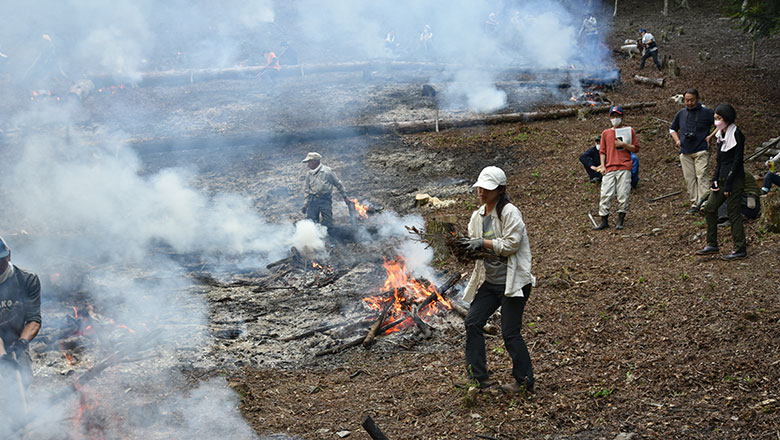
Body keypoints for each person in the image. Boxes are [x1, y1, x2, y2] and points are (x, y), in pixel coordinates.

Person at [456, 166, 535, 394]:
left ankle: (525, 381)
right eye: (480, 188)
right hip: (490, 282)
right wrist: (464, 247)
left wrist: (482, 243)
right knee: (472, 321)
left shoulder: (510, 212)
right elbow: (474, 244)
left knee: (510, 333)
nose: (482, 192)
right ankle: (478, 377)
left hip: (513, 282)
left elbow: (511, 245)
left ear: (500, 190)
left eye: (487, 189)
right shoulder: (477, 216)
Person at [696, 104, 747, 260]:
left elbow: (737, 161)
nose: (716, 121)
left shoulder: (737, 134)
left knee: (733, 214)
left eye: (719, 118)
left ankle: (740, 249)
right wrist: (715, 180)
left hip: (735, 179)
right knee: (710, 208)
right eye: (715, 118)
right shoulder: (720, 134)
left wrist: (729, 184)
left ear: (727, 118)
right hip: (722, 179)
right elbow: (719, 160)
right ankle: (712, 244)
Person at [0, 236, 42, 392]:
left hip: (17, 338)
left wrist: (21, 344)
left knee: (22, 378)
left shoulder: (26, 280)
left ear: (9, 255)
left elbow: (34, 319)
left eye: (1, 260)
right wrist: (3, 356)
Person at [592, 106, 639, 230]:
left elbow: (636, 148)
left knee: (623, 194)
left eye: (617, 116)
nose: (615, 119)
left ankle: (620, 220)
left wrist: (623, 144)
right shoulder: (606, 133)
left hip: (624, 166)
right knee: (605, 193)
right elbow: (602, 151)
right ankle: (604, 220)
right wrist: (602, 165)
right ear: (609, 117)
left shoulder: (629, 131)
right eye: (613, 116)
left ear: (622, 117)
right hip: (609, 167)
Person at [670, 88, 715, 214]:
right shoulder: (681, 113)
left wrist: (710, 136)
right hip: (685, 151)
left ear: (698, 99)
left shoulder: (706, 112)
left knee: (702, 176)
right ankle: (695, 203)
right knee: (690, 179)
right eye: (687, 100)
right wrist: (677, 140)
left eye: (692, 100)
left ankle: (705, 203)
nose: (689, 103)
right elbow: (672, 129)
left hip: (701, 149)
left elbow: (720, 124)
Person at [302, 152, 350, 228]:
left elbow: (338, 184)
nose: (308, 165)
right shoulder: (309, 174)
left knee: (327, 221)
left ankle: (330, 238)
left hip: (325, 200)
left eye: (309, 162)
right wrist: (305, 204)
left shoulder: (327, 171)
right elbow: (306, 189)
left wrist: (345, 197)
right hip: (312, 200)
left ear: (315, 161)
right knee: (311, 222)